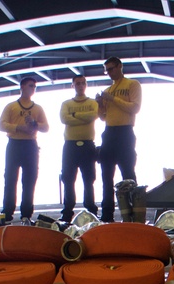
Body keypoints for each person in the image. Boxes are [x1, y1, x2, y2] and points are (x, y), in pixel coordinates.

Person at [96, 57, 142, 222]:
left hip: (125, 132)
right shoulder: (109, 89)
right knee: (106, 175)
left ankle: (134, 213)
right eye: (106, 70)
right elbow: (102, 117)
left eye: (111, 69)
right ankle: (107, 215)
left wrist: (112, 99)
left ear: (120, 66)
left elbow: (135, 108)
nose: (109, 73)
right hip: (109, 133)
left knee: (128, 174)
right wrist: (100, 105)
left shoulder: (132, 84)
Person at [0, 77, 49, 223]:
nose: (33, 88)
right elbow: (1, 125)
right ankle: (7, 211)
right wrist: (19, 127)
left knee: (30, 179)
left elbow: (46, 127)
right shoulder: (11, 107)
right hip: (14, 144)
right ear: (22, 87)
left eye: (34, 86)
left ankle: (26, 213)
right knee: (10, 178)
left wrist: (34, 124)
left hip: (30, 145)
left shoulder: (37, 108)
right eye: (30, 85)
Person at [59, 74, 99, 223]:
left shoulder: (93, 103)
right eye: (77, 83)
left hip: (88, 145)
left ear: (86, 85)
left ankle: (91, 210)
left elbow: (93, 116)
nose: (80, 86)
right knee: (68, 179)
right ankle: (67, 211)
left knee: (89, 179)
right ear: (73, 86)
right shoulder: (66, 104)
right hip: (70, 146)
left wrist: (74, 115)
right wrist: (83, 117)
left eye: (83, 83)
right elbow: (64, 119)